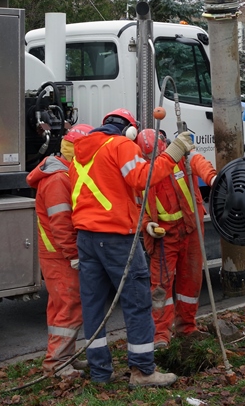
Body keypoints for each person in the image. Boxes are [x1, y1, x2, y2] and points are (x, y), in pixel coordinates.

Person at [71, 108, 193, 387]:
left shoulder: (80, 152)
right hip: (116, 238)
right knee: (138, 302)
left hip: (86, 239)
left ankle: (100, 373)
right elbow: (143, 179)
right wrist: (173, 153)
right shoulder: (121, 145)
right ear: (130, 130)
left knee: (93, 307)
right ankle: (142, 371)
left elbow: (100, 192)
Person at [136, 128, 218, 348]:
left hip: (189, 231)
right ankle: (160, 334)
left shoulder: (181, 159)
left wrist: (213, 178)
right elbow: (136, 206)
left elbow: (199, 162)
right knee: (161, 288)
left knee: (190, 283)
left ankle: (186, 328)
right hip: (164, 238)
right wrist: (147, 225)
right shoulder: (142, 171)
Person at [26, 123, 93, 378]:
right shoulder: (58, 179)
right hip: (59, 254)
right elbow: (61, 223)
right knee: (68, 304)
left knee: (64, 306)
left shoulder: (63, 173)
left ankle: (65, 357)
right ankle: (57, 363)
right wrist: (73, 254)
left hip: (58, 252)